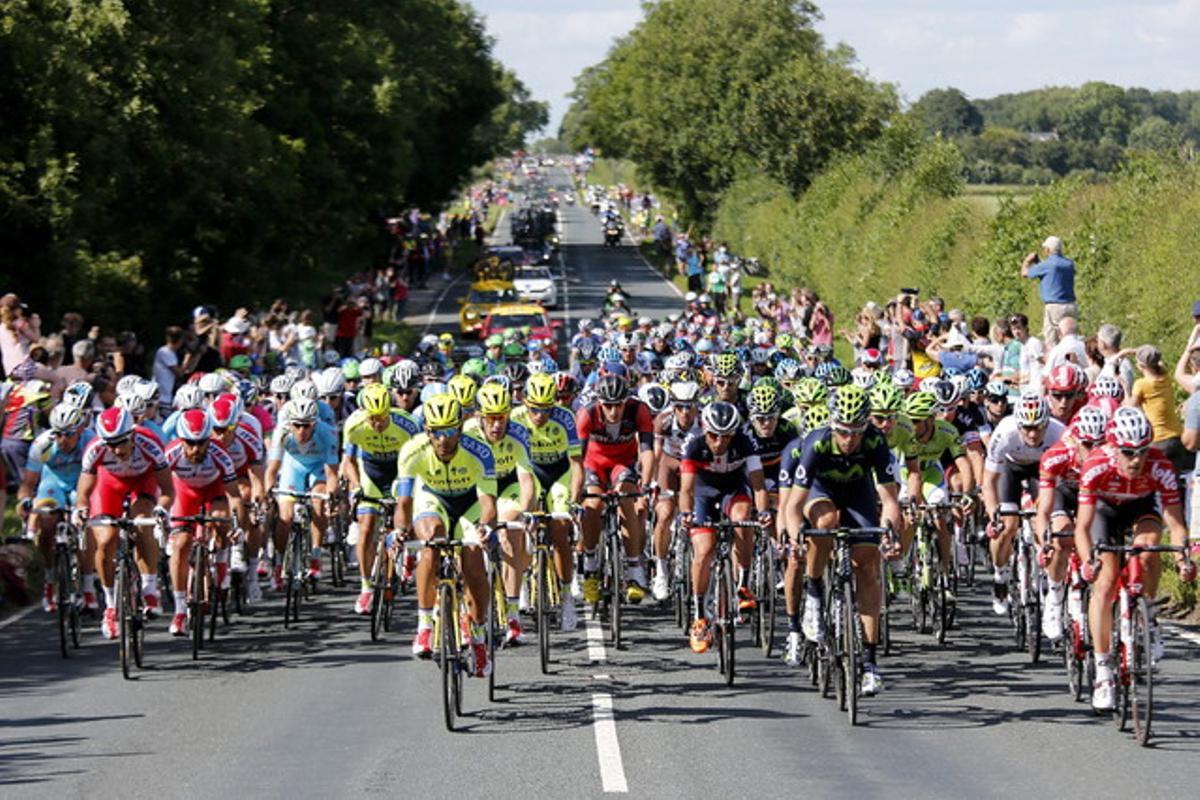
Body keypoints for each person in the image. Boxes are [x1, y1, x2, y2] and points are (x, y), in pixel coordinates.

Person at [782, 385, 902, 696]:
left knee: (868, 568)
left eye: (856, 432)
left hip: (858, 494)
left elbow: (890, 500)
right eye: (843, 432)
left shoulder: (875, 441)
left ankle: (870, 664)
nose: (849, 440)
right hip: (820, 492)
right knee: (824, 522)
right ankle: (814, 592)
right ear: (833, 425)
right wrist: (795, 538)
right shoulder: (817, 442)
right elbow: (793, 506)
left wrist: (890, 533)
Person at [1075, 407, 1196, 711]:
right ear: (1114, 448)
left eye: (1142, 451)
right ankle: (1103, 671)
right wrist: (1088, 561)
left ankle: (1148, 615)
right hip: (1104, 512)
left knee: (1149, 548)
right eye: (1128, 452)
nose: (1136, 460)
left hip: (1141, 509)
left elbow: (1176, 524)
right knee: (1105, 583)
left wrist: (1183, 560)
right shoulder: (1096, 465)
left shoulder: (1160, 466)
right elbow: (1083, 528)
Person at [393, 394, 497, 676]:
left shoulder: (480, 451)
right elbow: (404, 503)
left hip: (469, 505)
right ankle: (425, 623)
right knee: (432, 541)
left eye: (450, 431)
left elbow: (488, 503)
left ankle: (478, 636)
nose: (443, 440)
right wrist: (399, 531)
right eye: (436, 432)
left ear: (460, 429)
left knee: (474, 564)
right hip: (432, 501)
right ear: (427, 431)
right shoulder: (412, 451)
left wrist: (485, 528)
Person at [1126, 345, 1189, 474]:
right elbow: (1158, 364)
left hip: (1159, 439)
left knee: (1155, 478)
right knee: (1173, 479)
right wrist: (1140, 352)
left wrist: (1125, 388)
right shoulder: (1165, 377)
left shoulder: (1141, 384)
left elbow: (1130, 408)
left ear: (1141, 366)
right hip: (1177, 436)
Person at [1020, 235, 1077, 347]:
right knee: (1070, 338)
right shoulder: (1069, 264)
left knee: (1052, 340)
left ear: (1048, 250)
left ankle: (1054, 358)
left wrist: (1027, 261)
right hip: (1071, 305)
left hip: (1054, 307)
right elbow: (1052, 272)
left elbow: (1024, 273)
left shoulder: (1046, 265)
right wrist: (1039, 263)